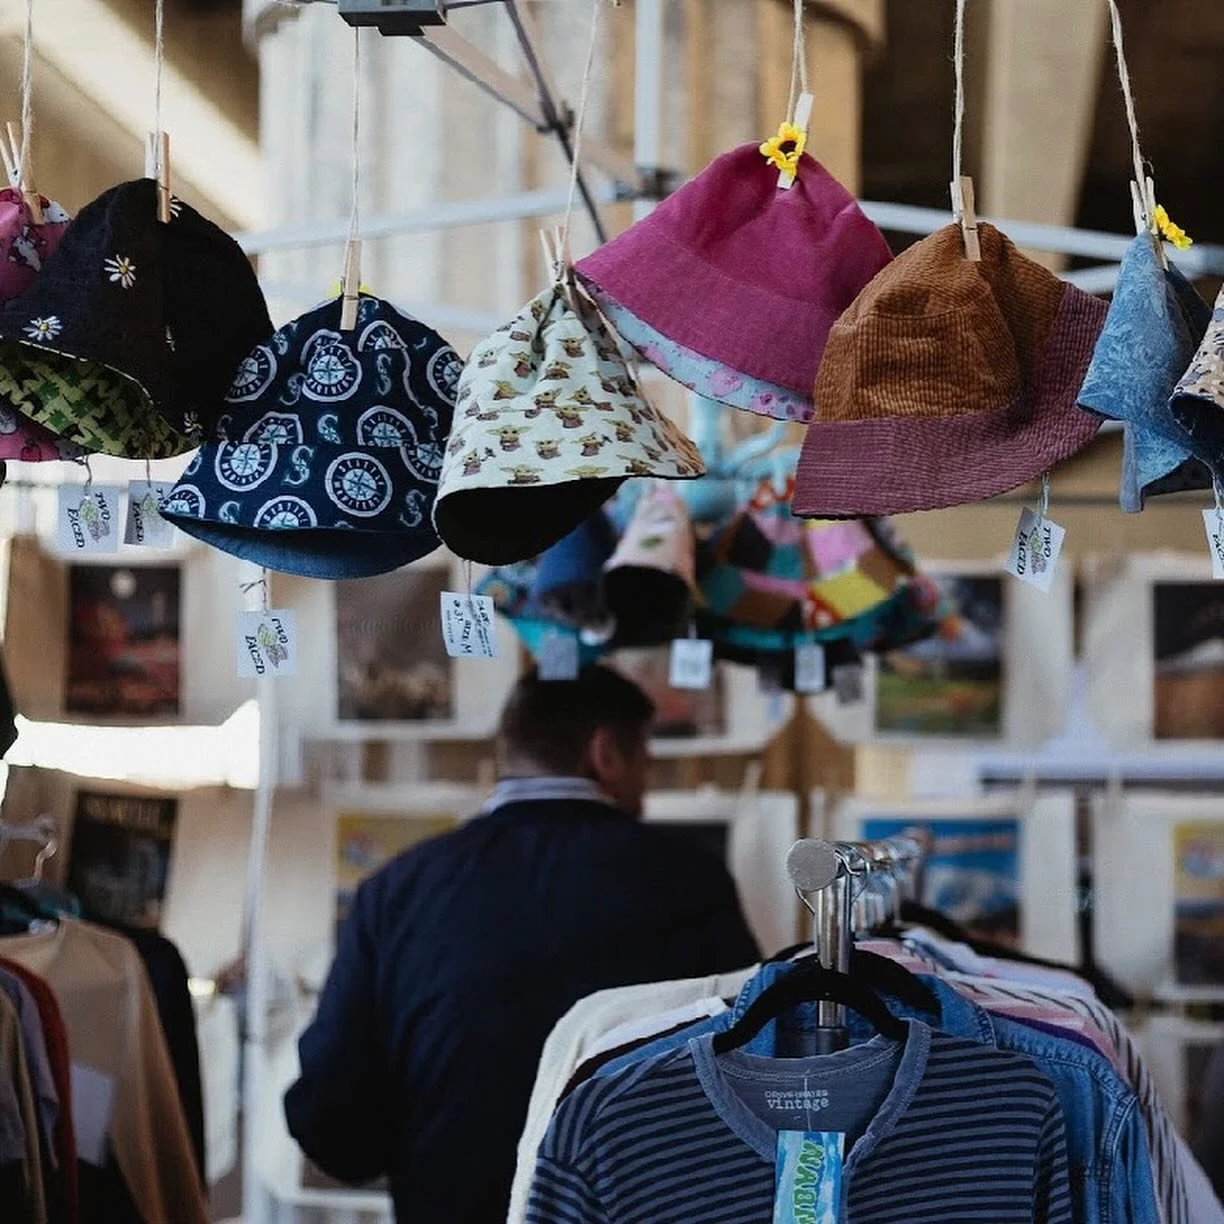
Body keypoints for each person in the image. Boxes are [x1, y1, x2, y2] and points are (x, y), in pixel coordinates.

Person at [284, 664, 761, 1223]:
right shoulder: (689, 881)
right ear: (605, 753)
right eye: (645, 764)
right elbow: (752, 1064)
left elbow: (332, 1117)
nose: (645, 786)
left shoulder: (395, 889)